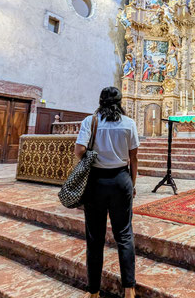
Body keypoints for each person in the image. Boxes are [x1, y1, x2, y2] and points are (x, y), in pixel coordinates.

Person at [75, 87, 139, 298]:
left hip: (96, 181)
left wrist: (95, 155)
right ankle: (129, 289)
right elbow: (134, 157)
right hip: (121, 180)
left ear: (100, 101)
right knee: (124, 234)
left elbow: (79, 151)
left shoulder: (90, 121)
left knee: (95, 237)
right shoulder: (129, 123)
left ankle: (93, 291)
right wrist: (132, 183)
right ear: (120, 102)